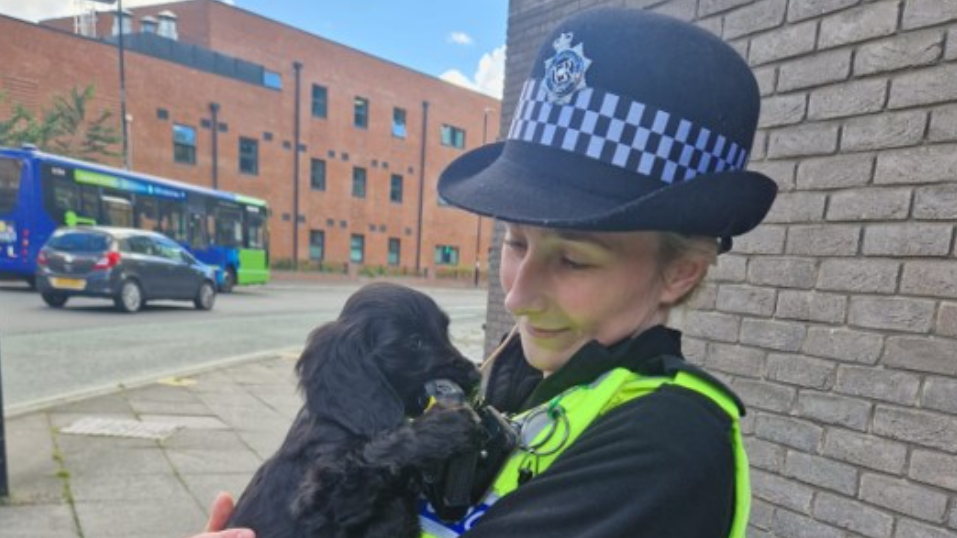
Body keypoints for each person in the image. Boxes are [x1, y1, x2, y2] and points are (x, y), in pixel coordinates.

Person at [193, 7, 776, 538]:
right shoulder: (520, 376)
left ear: (679, 273)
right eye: (516, 241)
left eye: (573, 259)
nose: (519, 296)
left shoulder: (665, 445)